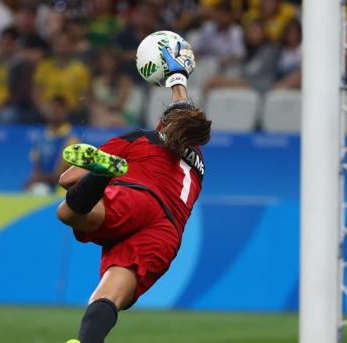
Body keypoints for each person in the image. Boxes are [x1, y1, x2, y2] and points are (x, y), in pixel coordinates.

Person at [56, 43, 210, 343]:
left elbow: (68, 177)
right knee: (110, 296)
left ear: (160, 124)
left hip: (137, 197)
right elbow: (184, 114)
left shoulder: (142, 140)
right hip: (166, 231)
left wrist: (177, 78)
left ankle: (103, 172)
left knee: (69, 212)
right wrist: (178, 80)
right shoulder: (198, 161)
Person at [33, 30, 91, 123]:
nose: (62, 47)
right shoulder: (44, 66)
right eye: (59, 43)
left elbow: (83, 97)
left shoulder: (80, 69)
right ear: (53, 46)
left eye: (66, 44)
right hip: (46, 111)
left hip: (71, 112)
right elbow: (36, 93)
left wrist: (66, 111)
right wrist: (45, 109)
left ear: (72, 46)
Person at [24, 95, 78, 194]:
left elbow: (65, 174)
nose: (55, 112)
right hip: (43, 184)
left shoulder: (71, 139)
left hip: (60, 188)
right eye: (53, 108)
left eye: (59, 108)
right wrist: (33, 179)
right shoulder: (43, 136)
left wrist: (38, 179)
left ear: (65, 112)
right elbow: (36, 164)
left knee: (39, 192)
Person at [89, 49, 135, 128]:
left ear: (115, 62)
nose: (106, 63)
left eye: (109, 60)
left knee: (113, 119)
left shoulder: (123, 80)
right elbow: (92, 101)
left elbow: (122, 103)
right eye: (104, 60)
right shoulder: (95, 80)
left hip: (120, 113)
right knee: (97, 115)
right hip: (100, 113)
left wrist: (108, 107)